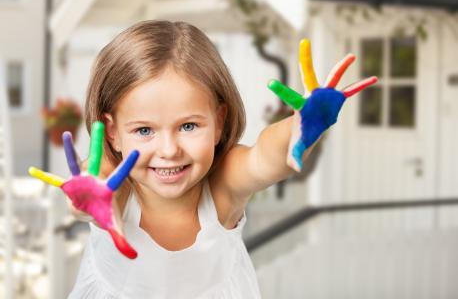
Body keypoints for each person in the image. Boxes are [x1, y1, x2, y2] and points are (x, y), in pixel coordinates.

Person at [44, 20, 376, 298]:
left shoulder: (222, 187)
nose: (169, 149)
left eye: (188, 125)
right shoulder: (116, 180)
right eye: (144, 131)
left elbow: (263, 158)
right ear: (113, 133)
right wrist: (89, 200)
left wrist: (299, 127)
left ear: (218, 121)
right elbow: (96, 190)